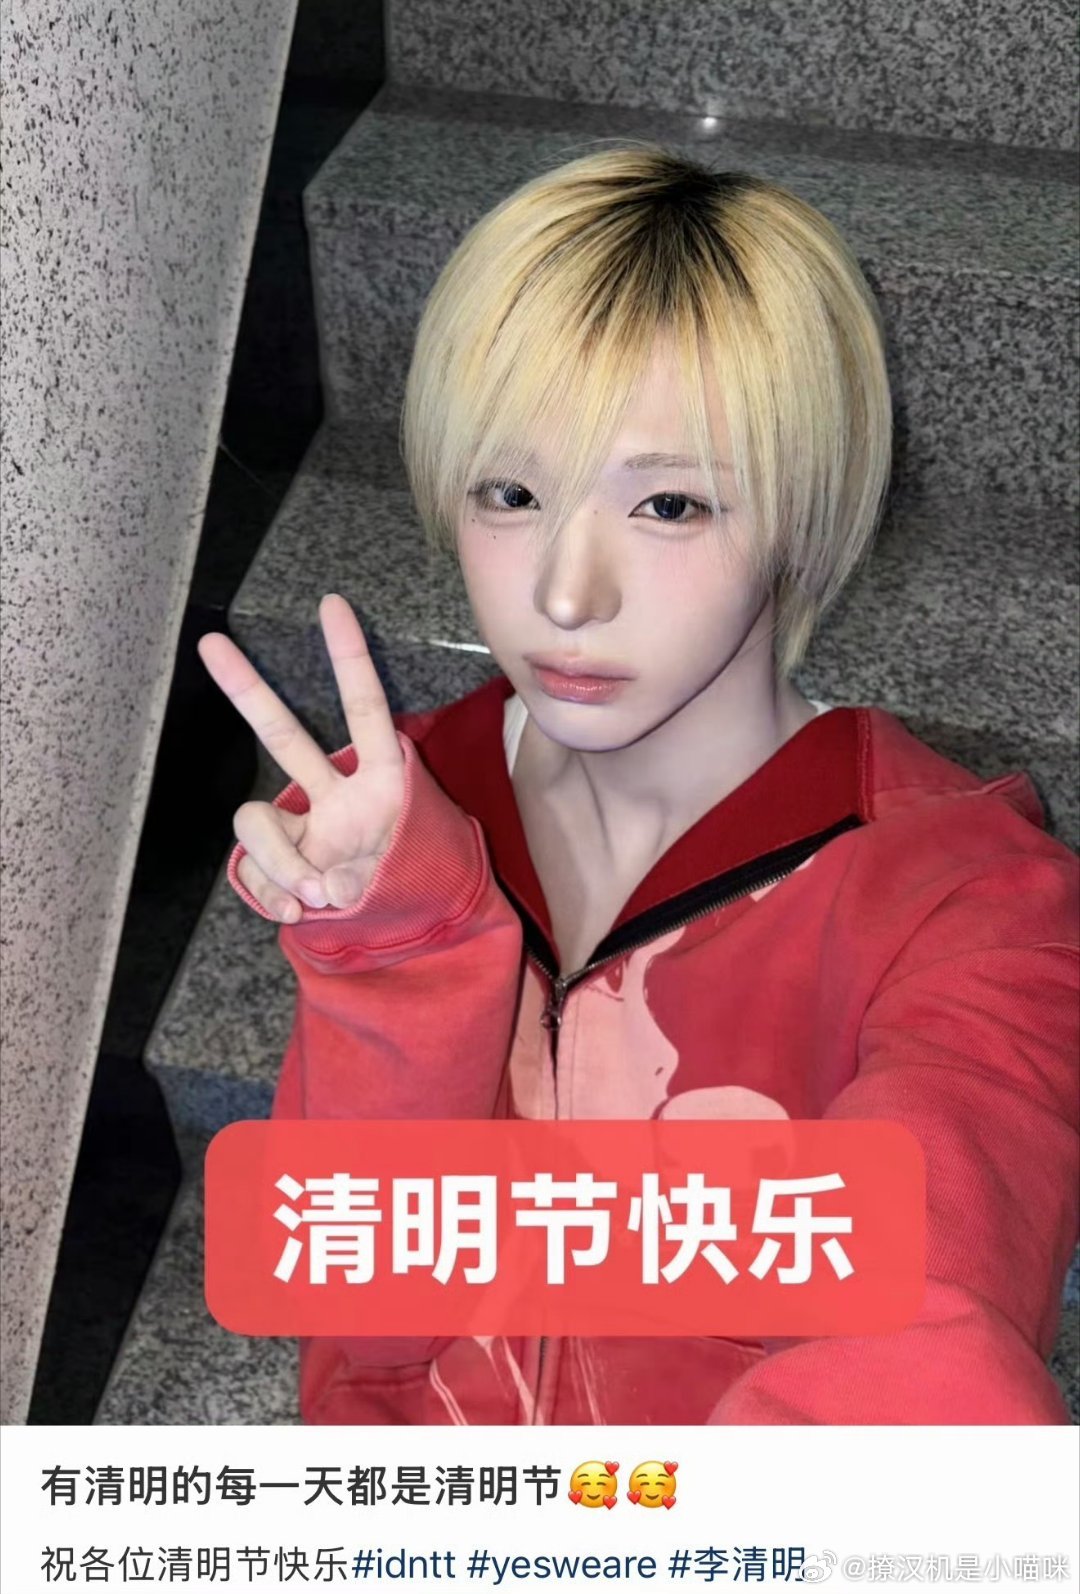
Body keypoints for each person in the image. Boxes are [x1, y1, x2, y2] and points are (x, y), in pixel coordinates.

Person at [197, 144, 1079, 1426]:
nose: (564, 594)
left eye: (669, 505)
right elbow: (364, 1304)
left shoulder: (969, 907)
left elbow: (924, 1353)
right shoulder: (396, 820)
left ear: (804, 514)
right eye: (511, 491)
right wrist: (393, 959)